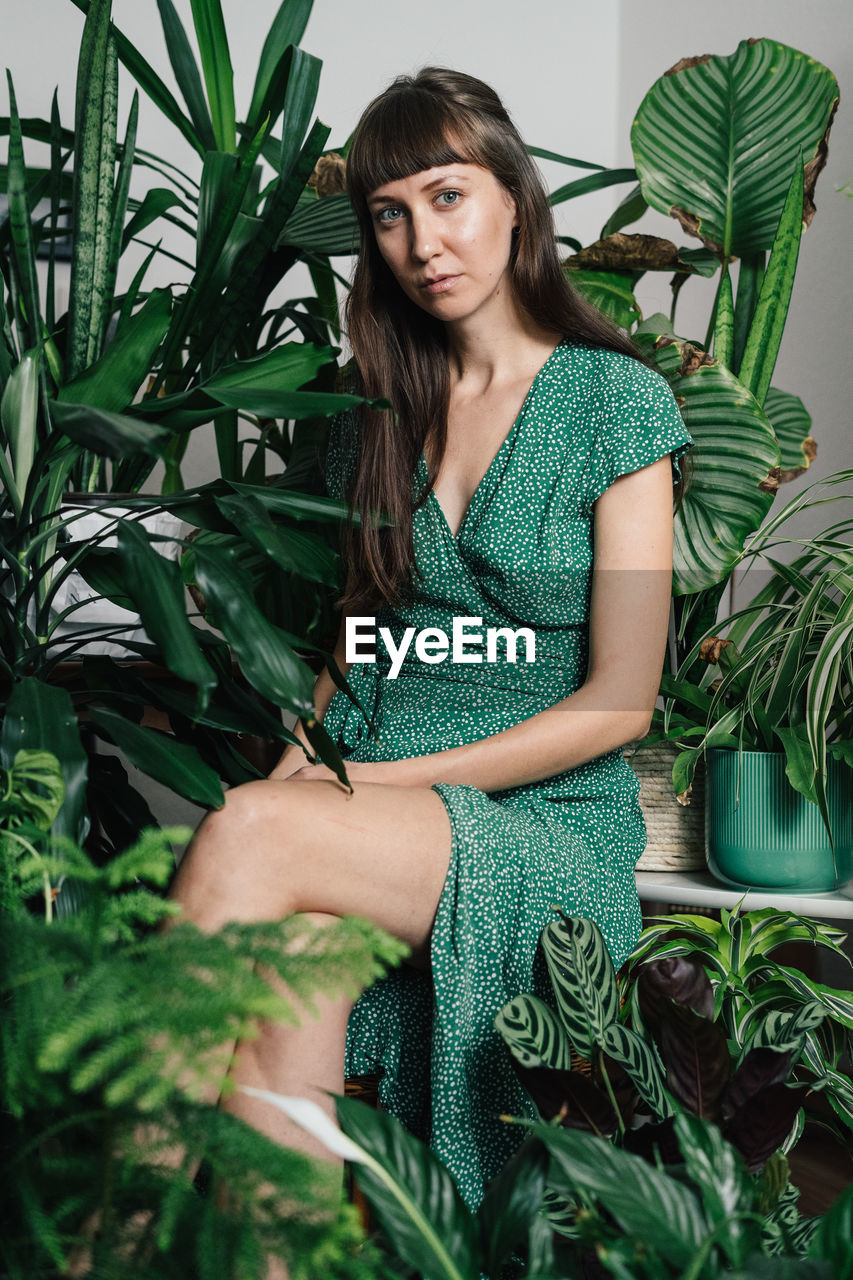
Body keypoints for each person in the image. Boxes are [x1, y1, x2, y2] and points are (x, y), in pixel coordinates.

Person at [169, 66, 693, 1215]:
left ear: (514, 196)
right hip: (375, 805)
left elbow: (621, 702)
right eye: (390, 215)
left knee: (253, 831)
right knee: (282, 952)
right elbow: (359, 644)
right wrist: (300, 777)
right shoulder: (382, 409)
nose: (421, 240)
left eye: (447, 196)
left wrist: (357, 790)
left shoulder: (615, 402)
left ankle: (97, 1210)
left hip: (543, 831)